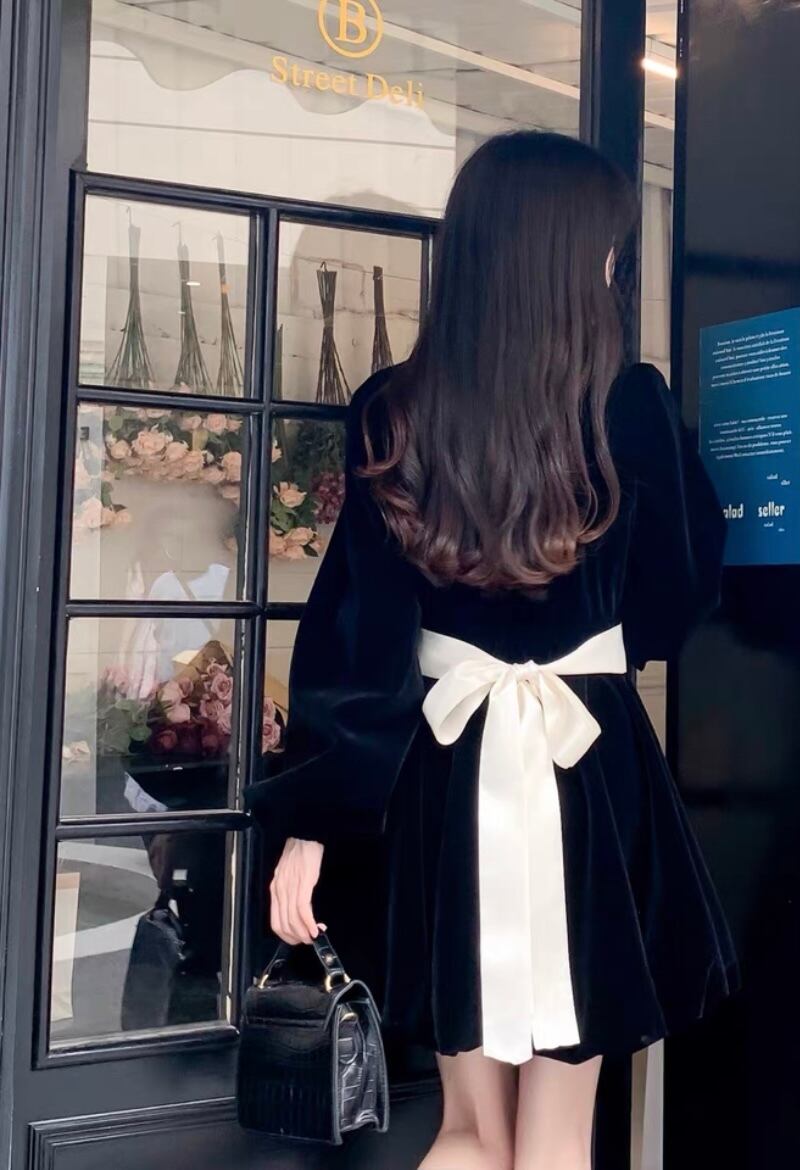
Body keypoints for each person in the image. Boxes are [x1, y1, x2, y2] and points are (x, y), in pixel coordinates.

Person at [245, 132, 736, 1170]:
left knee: (469, 1130)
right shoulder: (631, 406)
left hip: (445, 772)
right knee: (557, 1133)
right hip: (585, 765)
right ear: (574, 256)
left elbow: (355, 637)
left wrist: (313, 825)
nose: (615, 265)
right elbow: (680, 594)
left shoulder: (395, 409)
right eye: (608, 246)